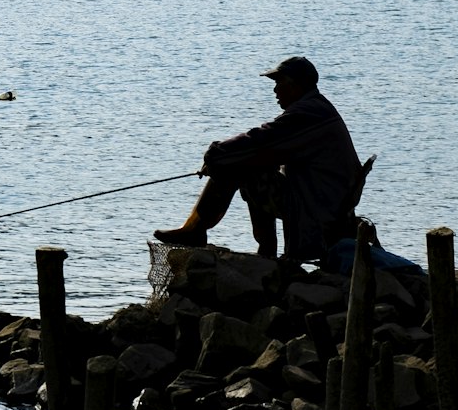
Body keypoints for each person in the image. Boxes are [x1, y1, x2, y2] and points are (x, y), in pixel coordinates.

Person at [154, 56, 363, 261]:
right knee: (244, 162)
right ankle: (257, 247)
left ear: (297, 85)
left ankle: (199, 232)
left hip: (317, 207)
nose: (275, 90)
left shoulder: (308, 113)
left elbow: (262, 140)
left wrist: (216, 154)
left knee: (239, 166)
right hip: (322, 201)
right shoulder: (317, 109)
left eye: (280, 82)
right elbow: (270, 149)